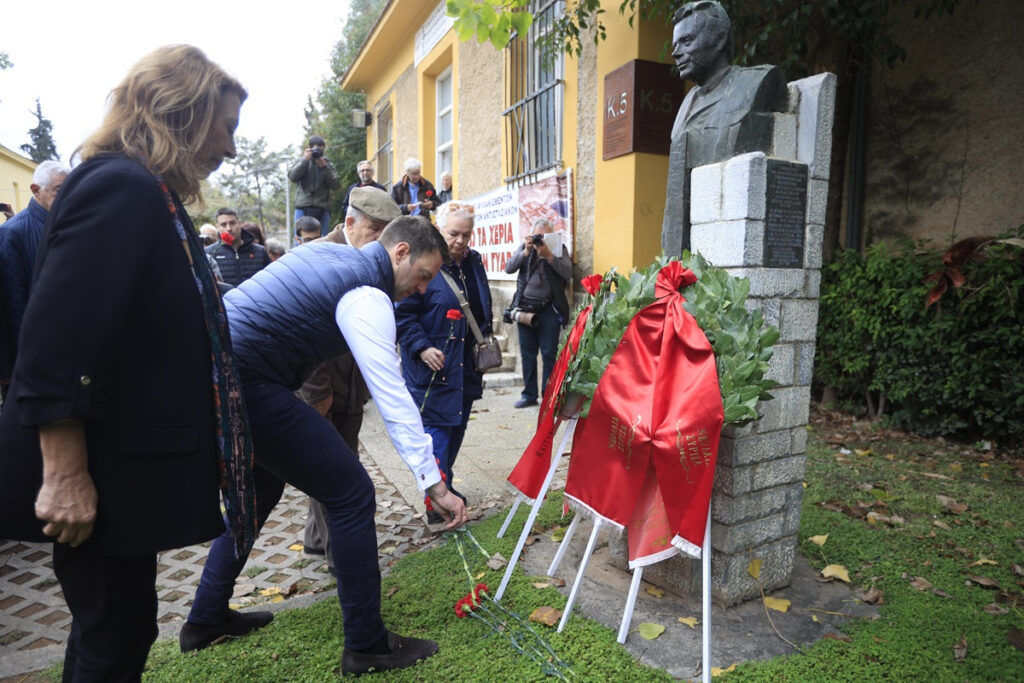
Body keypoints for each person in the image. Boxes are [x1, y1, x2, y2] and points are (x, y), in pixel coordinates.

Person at [0, 45, 259, 681]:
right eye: (225, 126)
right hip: (96, 473)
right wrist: (63, 476)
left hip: (118, 470)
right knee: (112, 638)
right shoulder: (121, 186)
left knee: (121, 628)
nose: (228, 146)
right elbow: (57, 342)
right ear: (184, 112)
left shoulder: (151, 196)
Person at [181, 216, 467, 676]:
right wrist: (434, 482)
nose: (421, 289)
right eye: (423, 276)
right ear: (399, 253)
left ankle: (204, 618)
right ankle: (367, 646)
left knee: (261, 489)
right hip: (242, 380)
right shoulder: (367, 294)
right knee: (351, 492)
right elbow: (392, 394)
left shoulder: (330, 254)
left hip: (218, 370)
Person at [298, 185, 402, 568]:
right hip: (324, 388)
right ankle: (340, 560)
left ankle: (314, 538)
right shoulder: (321, 256)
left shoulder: (366, 258)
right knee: (336, 474)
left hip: (350, 388)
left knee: (333, 465)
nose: (381, 241)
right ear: (350, 223)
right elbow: (306, 332)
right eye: (375, 231)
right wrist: (316, 393)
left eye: (385, 233)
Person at [661, 0, 787, 256]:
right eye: (675, 46)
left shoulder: (753, 84)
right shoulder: (687, 103)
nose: (676, 52)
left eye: (686, 41)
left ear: (719, 40)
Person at [396, 202, 491, 522]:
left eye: (466, 234)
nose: (461, 240)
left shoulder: (474, 262)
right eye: (454, 233)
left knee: (458, 427)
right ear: (438, 229)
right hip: (433, 366)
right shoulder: (424, 263)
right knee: (437, 432)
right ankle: (436, 504)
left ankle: (444, 485)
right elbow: (402, 314)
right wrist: (421, 348)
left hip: (466, 365)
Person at [0, 160, 71, 398]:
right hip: (34, 358)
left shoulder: (71, 226)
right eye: (60, 190)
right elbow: (12, 304)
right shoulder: (13, 233)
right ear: (35, 190)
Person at [504, 219, 572, 408]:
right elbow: (509, 268)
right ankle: (529, 395)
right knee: (527, 353)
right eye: (538, 236)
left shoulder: (559, 250)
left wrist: (549, 255)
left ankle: (548, 395)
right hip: (525, 308)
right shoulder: (525, 249)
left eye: (545, 236)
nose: (540, 240)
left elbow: (568, 273)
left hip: (549, 308)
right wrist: (526, 252)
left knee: (549, 352)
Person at [288, 134, 340, 237]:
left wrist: (324, 168)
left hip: (322, 207)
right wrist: (305, 161)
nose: (318, 152)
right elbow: (292, 177)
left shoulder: (327, 164)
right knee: (300, 238)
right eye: (315, 149)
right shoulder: (301, 161)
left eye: (320, 150)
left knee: (323, 239)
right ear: (309, 148)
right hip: (303, 206)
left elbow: (336, 185)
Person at [205, 207, 271, 286]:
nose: (229, 228)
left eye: (232, 223)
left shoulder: (260, 251)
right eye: (223, 225)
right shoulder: (209, 254)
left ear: (240, 224)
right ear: (217, 227)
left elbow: (269, 281)